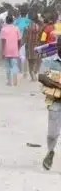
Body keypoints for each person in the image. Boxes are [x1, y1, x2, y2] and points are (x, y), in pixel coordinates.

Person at [39, 36, 61, 170]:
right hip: (55, 102)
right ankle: (50, 151)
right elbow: (41, 77)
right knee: (52, 133)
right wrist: (58, 85)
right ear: (57, 46)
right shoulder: (49, 61)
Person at [0, 15, 21, 86]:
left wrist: (2, 51)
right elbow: (19, 40)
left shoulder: (3, 29)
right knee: (14, 65)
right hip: (14, 49)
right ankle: (15, 81)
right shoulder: (16, 28)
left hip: (6, 49)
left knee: (7, 66)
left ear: (6, 21)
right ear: (13, 21)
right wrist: (18, 48)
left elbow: (3, 41)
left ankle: (9, 81)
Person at [24, 11, 42, 81]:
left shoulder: (27, 27)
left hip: (29, 47)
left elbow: (24, 38)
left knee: (30, 62)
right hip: (37, 46)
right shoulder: (39, 27)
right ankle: (35, 73)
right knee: (36, 61)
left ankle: (32, 76)